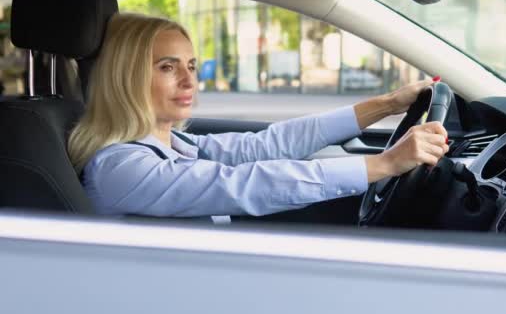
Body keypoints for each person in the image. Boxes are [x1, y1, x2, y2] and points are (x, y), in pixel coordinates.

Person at [68, 13, 449, 219]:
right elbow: (242, 183)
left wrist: (386, 104)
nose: (189, 80)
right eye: (168, 68)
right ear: (127, 76)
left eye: (191, 65)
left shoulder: (175, 145)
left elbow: (265, 146)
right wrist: (383, 164)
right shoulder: (120, 166)